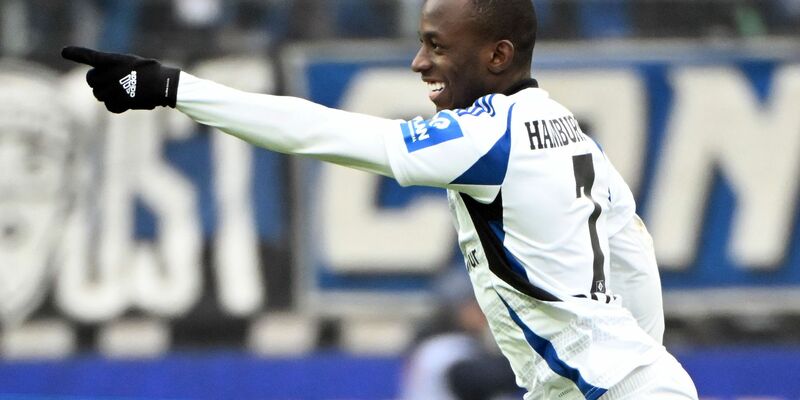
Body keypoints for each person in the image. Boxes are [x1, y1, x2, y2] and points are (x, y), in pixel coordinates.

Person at [61, 0, 697, 398]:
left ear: (498, 55)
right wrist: (646, 363)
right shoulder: (568, 130)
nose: (419, 62)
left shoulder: (487, 134)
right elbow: (631, 248)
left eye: (438, 45)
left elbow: (320, 130)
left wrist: (174, 88)